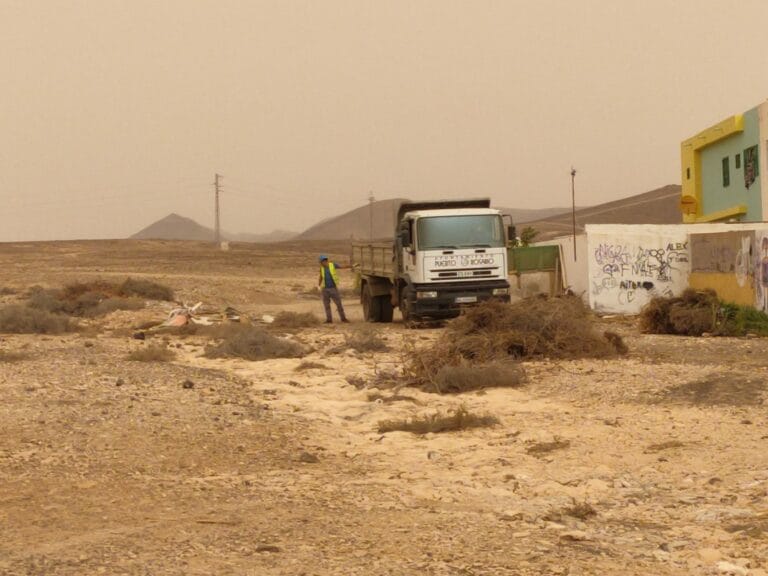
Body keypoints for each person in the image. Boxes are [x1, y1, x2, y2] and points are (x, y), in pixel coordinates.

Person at [318, 255, 349, 323]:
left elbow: (342, 267)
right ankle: (329, 320)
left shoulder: (332, 265)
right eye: (321, 262)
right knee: (327, 305)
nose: (322, 263)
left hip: (333, 288)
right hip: (325, 289)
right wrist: (318, 285)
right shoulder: (321, 268)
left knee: (339, 304)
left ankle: (343, 319)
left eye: (322, 261)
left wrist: (350, 266)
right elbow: (321, 277)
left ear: (325, 261)